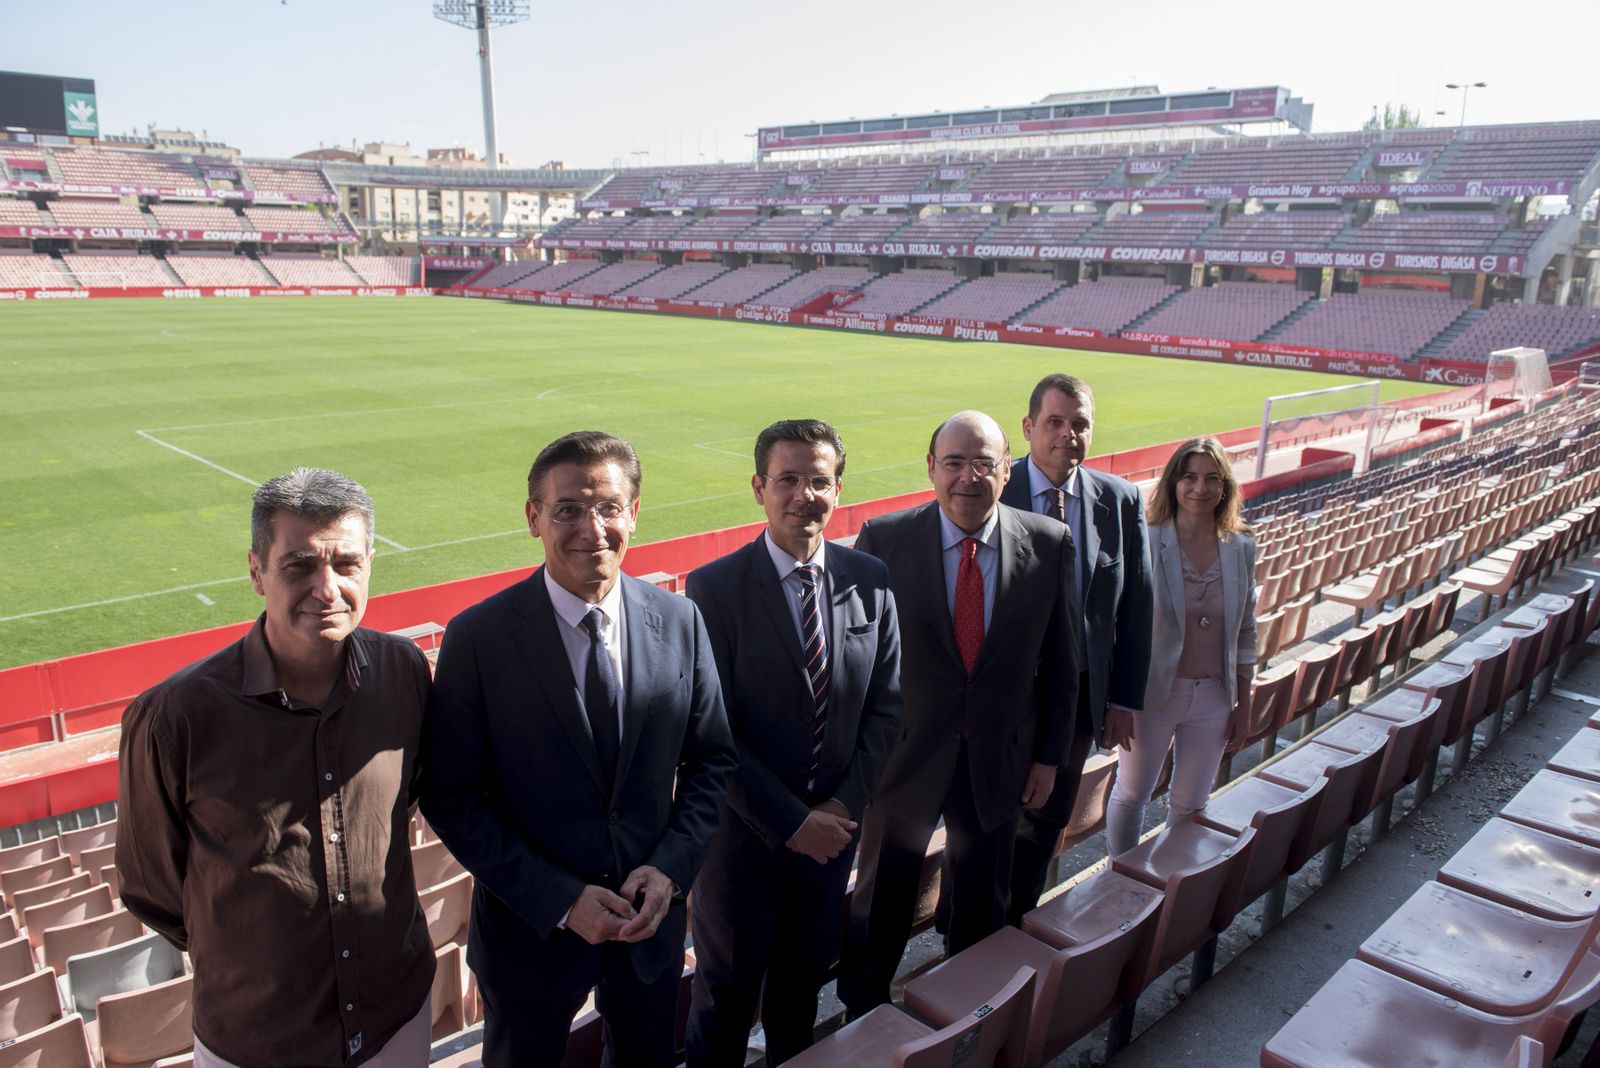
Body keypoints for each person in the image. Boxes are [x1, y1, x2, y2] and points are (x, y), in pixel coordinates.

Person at [420, 431, 736, 1068]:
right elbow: (451, 795)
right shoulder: (478, 638)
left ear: (635, 514)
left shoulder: (681, 621)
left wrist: (671, 869)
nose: (592, 528)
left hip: (649, 929)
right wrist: (561, 899)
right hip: (529, 939)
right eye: (567, 509)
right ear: (533, 517)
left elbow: (712, 761)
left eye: (609, 507)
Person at [117, 468, 434, 1068]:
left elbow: (407, 800)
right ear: (257, 571)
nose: (326, 588)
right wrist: (253, 953)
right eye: (299, 567)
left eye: (346, 564)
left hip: (397, 1016)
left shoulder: (404, 673)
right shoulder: (173, 716)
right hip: (258, 1041)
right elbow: (150, 886)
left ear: (370, 564)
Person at [837, 410, 1081, 1017]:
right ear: (931, 468)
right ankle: (862, 1023)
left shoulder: (1048, 542)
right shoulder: (884, 539)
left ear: (1007, 470)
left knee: (981, 908)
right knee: (880, 905)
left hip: (999, 761)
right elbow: (855, 665)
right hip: (904, 759)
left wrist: (1049, 756)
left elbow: (1061, 662)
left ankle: (966, 1022)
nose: (967, 477)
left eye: (983, 463)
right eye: (953, 462)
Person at [683, 419, 902, 1066]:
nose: (803, 494)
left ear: (839, 490)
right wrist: (791, 822)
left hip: (832, 842)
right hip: (742, 848)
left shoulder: (872, 578)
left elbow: (887, 710)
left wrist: (838, 811)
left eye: (819, 481)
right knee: (724, 1004)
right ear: (758, 488)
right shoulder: (713, 589)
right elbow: (710, 732)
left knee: (798, 1000)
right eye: (787, 480)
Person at [1003, 373, 1154, 921]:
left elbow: (1138, 607)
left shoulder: (1120, 499)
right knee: (990, 819)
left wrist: (1123, 700)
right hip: (1002, 696)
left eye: (1080, 424)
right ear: (1028, 428)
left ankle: (1014, 921)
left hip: (1079, 700)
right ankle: (966, 927)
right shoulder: (993, 491)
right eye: (1055, 422)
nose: (1068, 434)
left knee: (1046, 820)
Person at [1104, 437, 1258, 857]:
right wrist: (1118, 699)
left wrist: (1243, 704)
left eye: (1211, 478)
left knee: (1190, 804)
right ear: (1173, 482)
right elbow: (1122, 624)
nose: (1200, 488)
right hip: (1153, 694)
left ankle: (1170, 893)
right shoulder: (1148, 540)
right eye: (1189, 477)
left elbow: (1246, 629)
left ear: (1225, 486)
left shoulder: (1241, 545)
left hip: (1214, 696)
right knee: (1133, 793)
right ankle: (1121, 878)